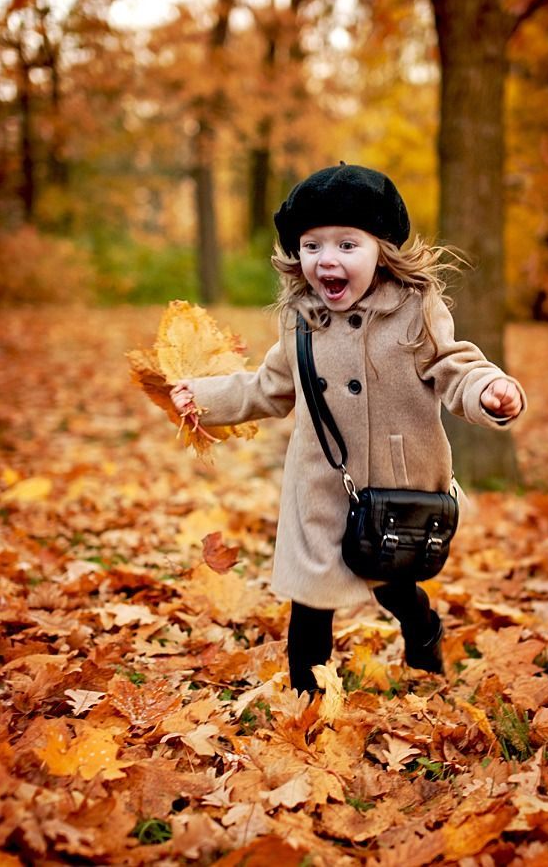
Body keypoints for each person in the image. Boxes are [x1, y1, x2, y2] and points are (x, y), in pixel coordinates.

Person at [170, 164, 525, 694]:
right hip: (321, 482)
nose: (327, 259)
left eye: (347, 245)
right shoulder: (301, 320)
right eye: (311, 246)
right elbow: (269, 386)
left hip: (396, 480)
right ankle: (306, 702)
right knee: (310, 596)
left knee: (392, 584)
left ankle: (423, 627)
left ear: (382, 249)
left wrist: (489, 390)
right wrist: (202, 397)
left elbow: (454, 367)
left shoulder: (415, 310)